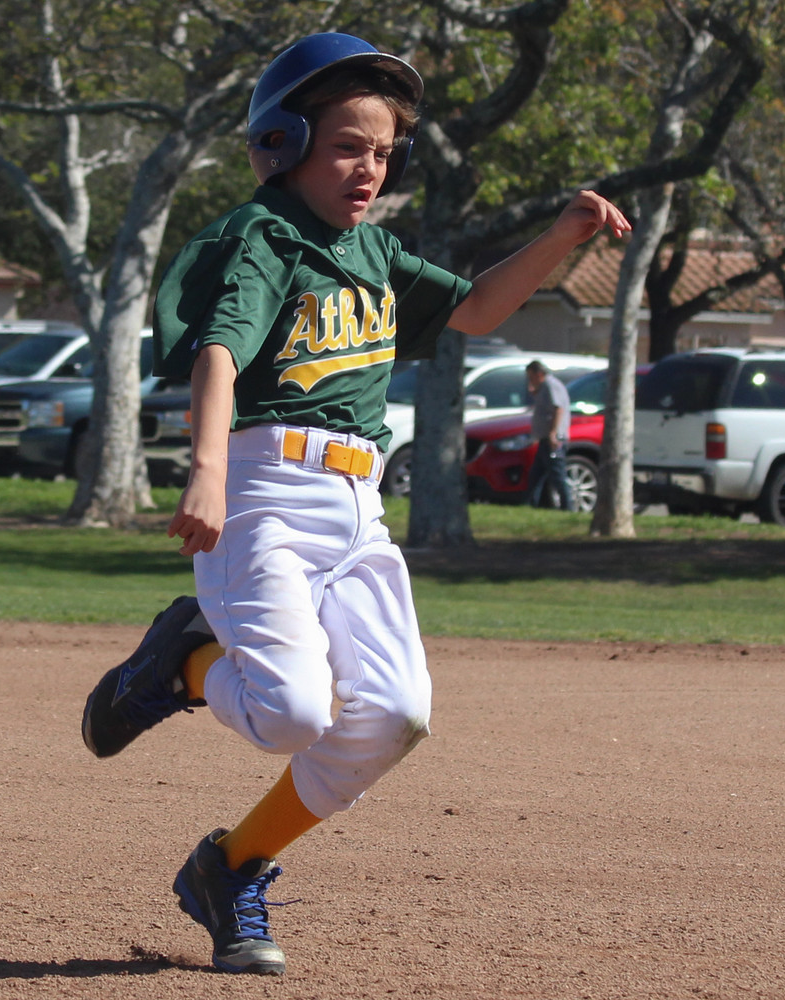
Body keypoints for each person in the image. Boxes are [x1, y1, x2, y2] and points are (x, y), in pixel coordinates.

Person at [79, 31, 630, 976]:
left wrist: (559, 238)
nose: (369, 168)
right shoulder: (269, 239)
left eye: (383, 151)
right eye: (345, 146)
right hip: (263, 495)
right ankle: (184, 663)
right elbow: (219, 352)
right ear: (282, 144)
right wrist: (205, 470)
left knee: (395, 714)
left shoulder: (374, 250)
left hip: (358, 505)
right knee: (291, 715)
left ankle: (229, 868)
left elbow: (476, 310)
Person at [526, 360, 576, 511]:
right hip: (545, 439)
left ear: (539, 374)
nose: (530, 380)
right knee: (536, 475)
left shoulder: (551, 385)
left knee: (557, 475)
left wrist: (553, 433)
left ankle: (568, 507)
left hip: (554, 439)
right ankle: (530, 505)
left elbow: (558, 409)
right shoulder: (543, 387)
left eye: (531, 376)